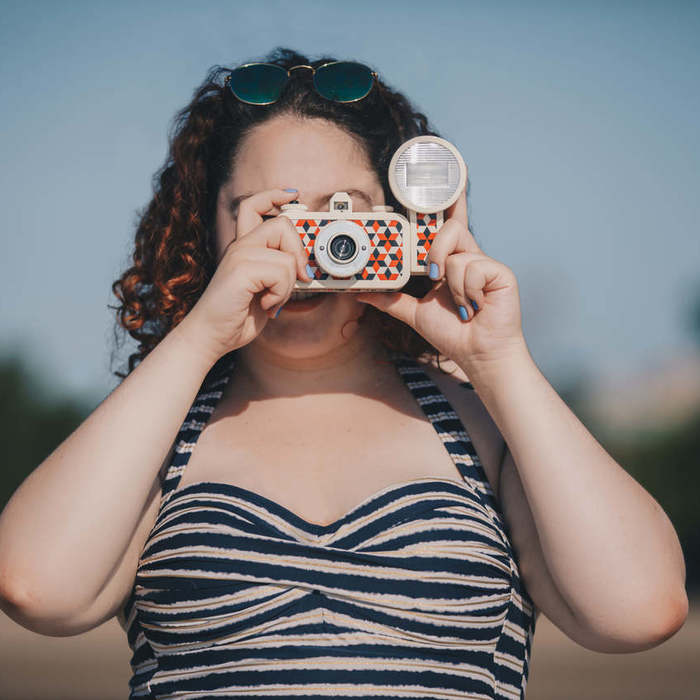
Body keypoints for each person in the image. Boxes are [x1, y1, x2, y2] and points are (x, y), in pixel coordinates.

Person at [0, 47, 688, 699]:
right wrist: (199, 338)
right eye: (269, 213)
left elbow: (639, 612)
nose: (312, 244)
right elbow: (38, 589)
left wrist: (497, 361)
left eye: (341, 214)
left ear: (408, 221)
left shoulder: (486, 421)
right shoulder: (160, 431)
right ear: (207, 233)